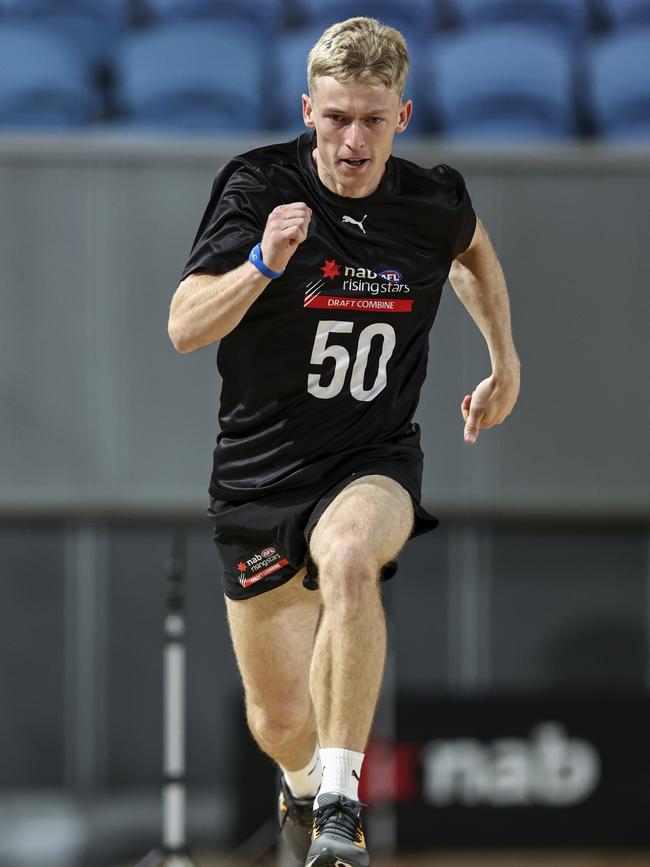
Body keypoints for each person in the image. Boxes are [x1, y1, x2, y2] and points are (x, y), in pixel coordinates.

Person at [168, 16, 520, 867]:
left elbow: (470, 252)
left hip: (373, 457)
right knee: (279, 720)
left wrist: (504, 357)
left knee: (353, 556)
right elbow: (183, 327)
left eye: (371, 119)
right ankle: (302, 782)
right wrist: (261, 262)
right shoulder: (257, 185)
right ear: (307, 109)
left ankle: (338, 805)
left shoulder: (429, 198)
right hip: (259, 477)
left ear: (402, 117)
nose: (352, 140)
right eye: (334, 118)